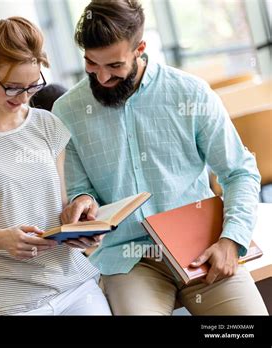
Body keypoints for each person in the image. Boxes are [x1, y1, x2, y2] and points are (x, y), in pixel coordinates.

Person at [54, 0, 268, 315]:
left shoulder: (190, 93)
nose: (101, 78)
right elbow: (80, 190)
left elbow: (240, 172)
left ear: (140, 47)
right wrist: (82, 204)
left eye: (114, 66)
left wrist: (231, 240)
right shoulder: (68, 111)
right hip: (131, 261)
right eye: (91, 64)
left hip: (203, 248)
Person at [0, 17, 111, 316]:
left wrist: (80, 222)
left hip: (73, 285)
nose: (23, 97)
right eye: (12, 87)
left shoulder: (47, 125)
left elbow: (61, 206)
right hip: (10, 298)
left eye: (31, 86)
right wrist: (0, 239)